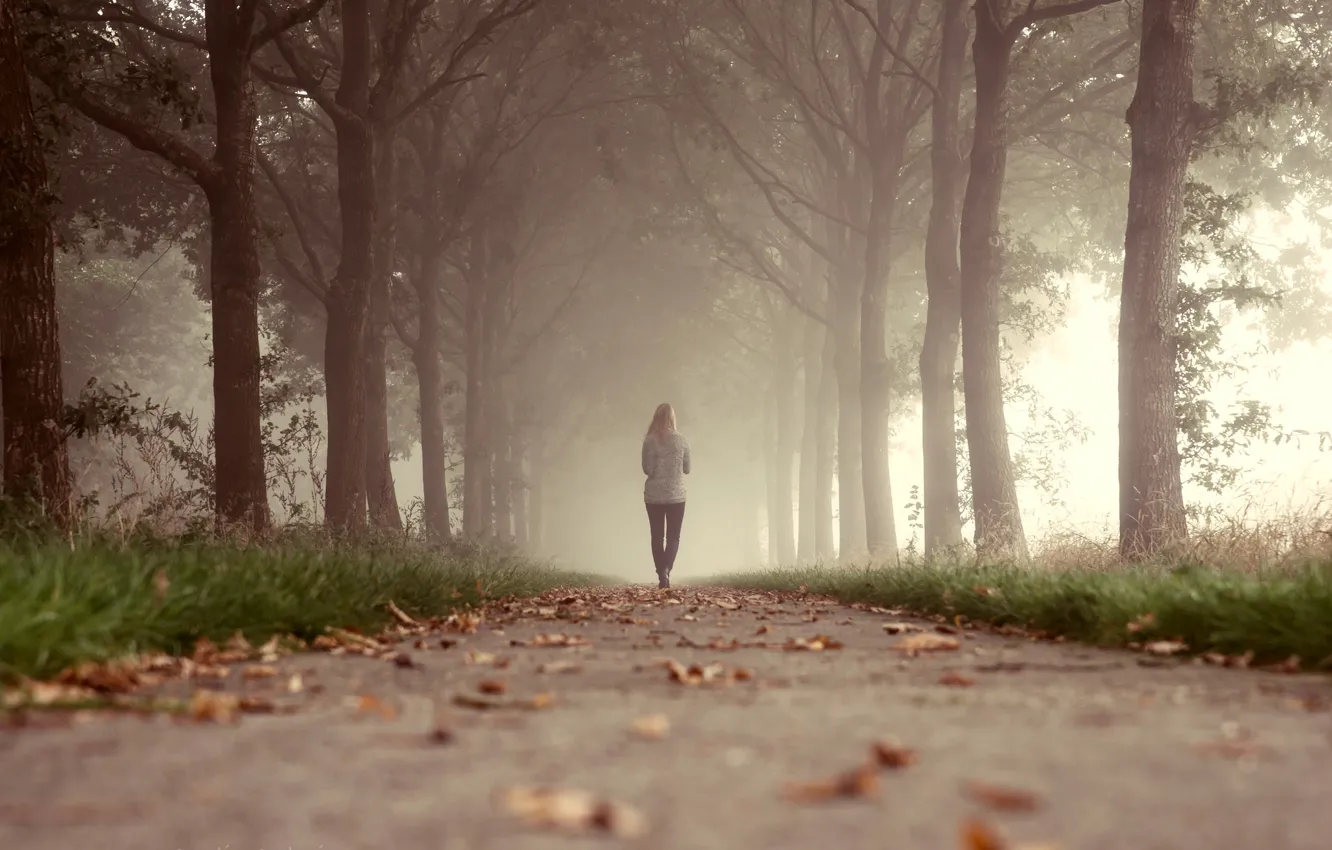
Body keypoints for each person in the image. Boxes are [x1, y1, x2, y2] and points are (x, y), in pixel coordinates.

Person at [642, 402, 690, 589]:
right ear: (672, 418)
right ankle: (666, 570)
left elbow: (647, 469)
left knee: (656, 536)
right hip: (676, 495)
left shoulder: (649, 441)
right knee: (673, 537)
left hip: (653, 496)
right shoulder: (682, 440)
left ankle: (661, 571)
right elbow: (687, 469)